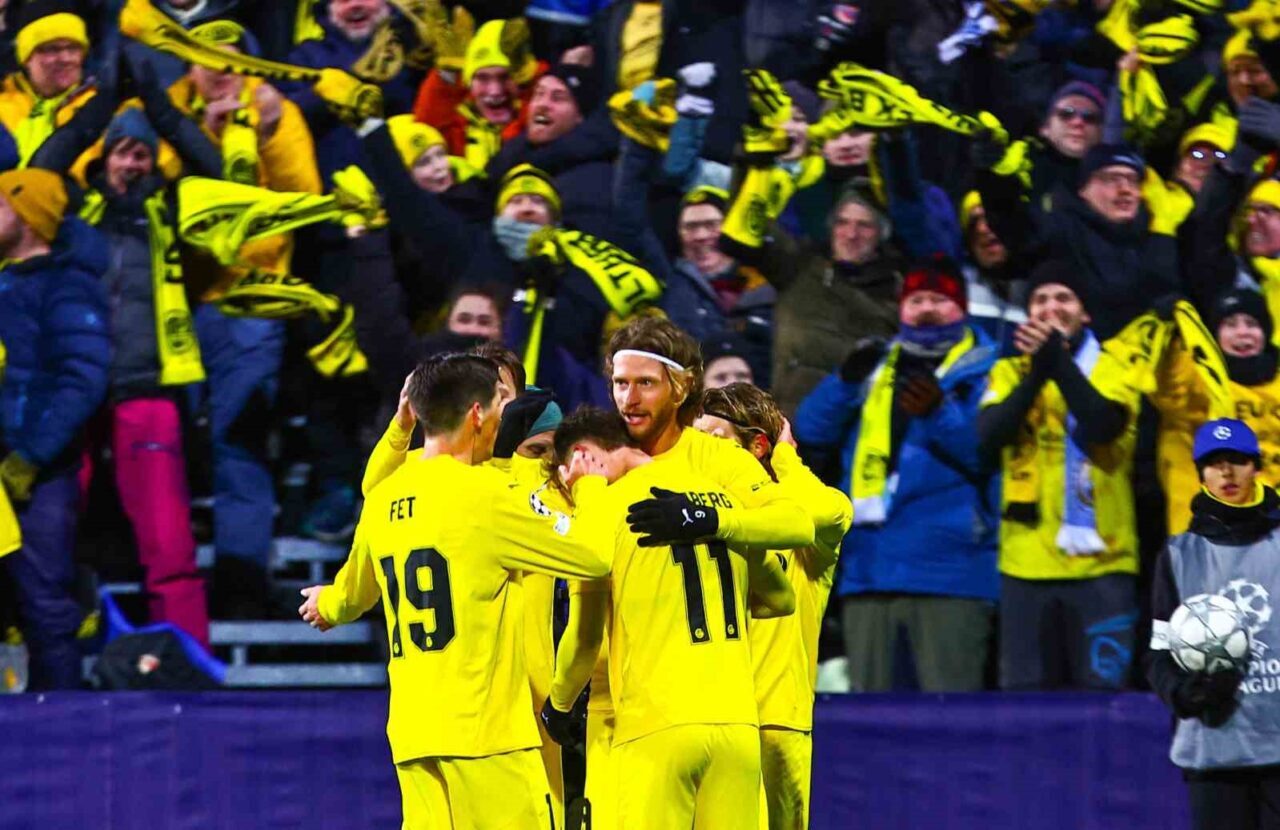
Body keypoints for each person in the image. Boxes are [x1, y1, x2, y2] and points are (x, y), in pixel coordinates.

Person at [299, 353, 615, 830]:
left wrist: (323, 604)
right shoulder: (486, 495)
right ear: (476, 414)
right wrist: (591, 487)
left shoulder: (384, 496)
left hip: (414, 735)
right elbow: (593, 556)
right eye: (499, 409)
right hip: (487, 734)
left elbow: (351, 596)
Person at [544, 405, 795, 829]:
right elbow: (782, 599)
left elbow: (585, 638)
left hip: (655, 727)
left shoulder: (605, 510)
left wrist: (559, 704)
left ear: (582, 457)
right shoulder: (720, 497)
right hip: (737, 728)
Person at [169, 19, 321, 615]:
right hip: (171, 303)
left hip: (250, 304)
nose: (220, 71)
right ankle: (172, 575)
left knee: (239, 441)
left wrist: (272, 130)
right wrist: (201, 140)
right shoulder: (168, 112)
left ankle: (239, 581)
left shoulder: (276, 113)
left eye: (232, 60)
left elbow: (303, 196)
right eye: (207, 59)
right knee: (165, 442)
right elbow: (159, 192)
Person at [795, 257, 1000, 692]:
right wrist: (843, 382)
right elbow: (810, 430)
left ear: (962, 307)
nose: (927, 309)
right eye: (917, 300)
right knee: (874, 719)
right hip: (870, 569)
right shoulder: (874, 365)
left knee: (950, 717)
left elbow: (986, 454)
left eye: (940, 300)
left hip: (950, 571)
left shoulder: (992, 370)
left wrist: (939, 414)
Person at [977, 260, 1142, 690]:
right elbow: (989, 436)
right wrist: (1040, 371)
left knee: (1103, 707)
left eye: (1064, 298)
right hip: (1024, 569)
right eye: (1041, 299)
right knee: (1024, 709)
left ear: (1085, 313)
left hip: (1103, 567)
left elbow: (1104, 425)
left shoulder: (1117, 366)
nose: (1052, 307)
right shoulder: (1007, 371)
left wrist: (1059, 364)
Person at [694, 383, 851, 828]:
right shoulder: (691, 519)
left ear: (757, 446)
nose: (702, 454)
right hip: (706, 721)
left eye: (715, 440)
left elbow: (826, 512)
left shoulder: (805, 529)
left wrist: (786, 458)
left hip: (775, 724)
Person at [0, 168, 110, 689]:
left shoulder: (67, 286)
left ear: (29, 217)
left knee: (44, 603)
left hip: (36, 475)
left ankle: (62, 722)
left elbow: (83, 378)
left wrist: (30, 456)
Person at [1145, 418, 1280, 830]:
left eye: (1237, 460)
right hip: (1215, 749)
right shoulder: (1179, 554)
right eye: (1214, 463)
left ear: (1256, 467)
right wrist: (1184, 692)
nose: (1226, 472)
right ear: (1200, 473)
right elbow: (1159, 652)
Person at [976, 141, 1181, 340]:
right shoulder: (1062, 230)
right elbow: (1015, 228)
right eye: (1111, 179)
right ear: (1083, 190)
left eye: (1132, 180)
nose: (1125, 189)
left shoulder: (1158, 234)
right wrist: (997, 178)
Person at [1152, 289, 1280, 535]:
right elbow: (1170, 388)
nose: (1242, 332)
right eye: (1230, 324)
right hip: (1211, 532)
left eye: (1251, 323)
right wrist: (1173, 336)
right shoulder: (1196, 383)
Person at [0, 0, 94, 167]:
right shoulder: (3, 103)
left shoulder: (95, 107)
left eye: (73, 48)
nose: (65, 58)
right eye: (52, 49)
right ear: (27, 57)